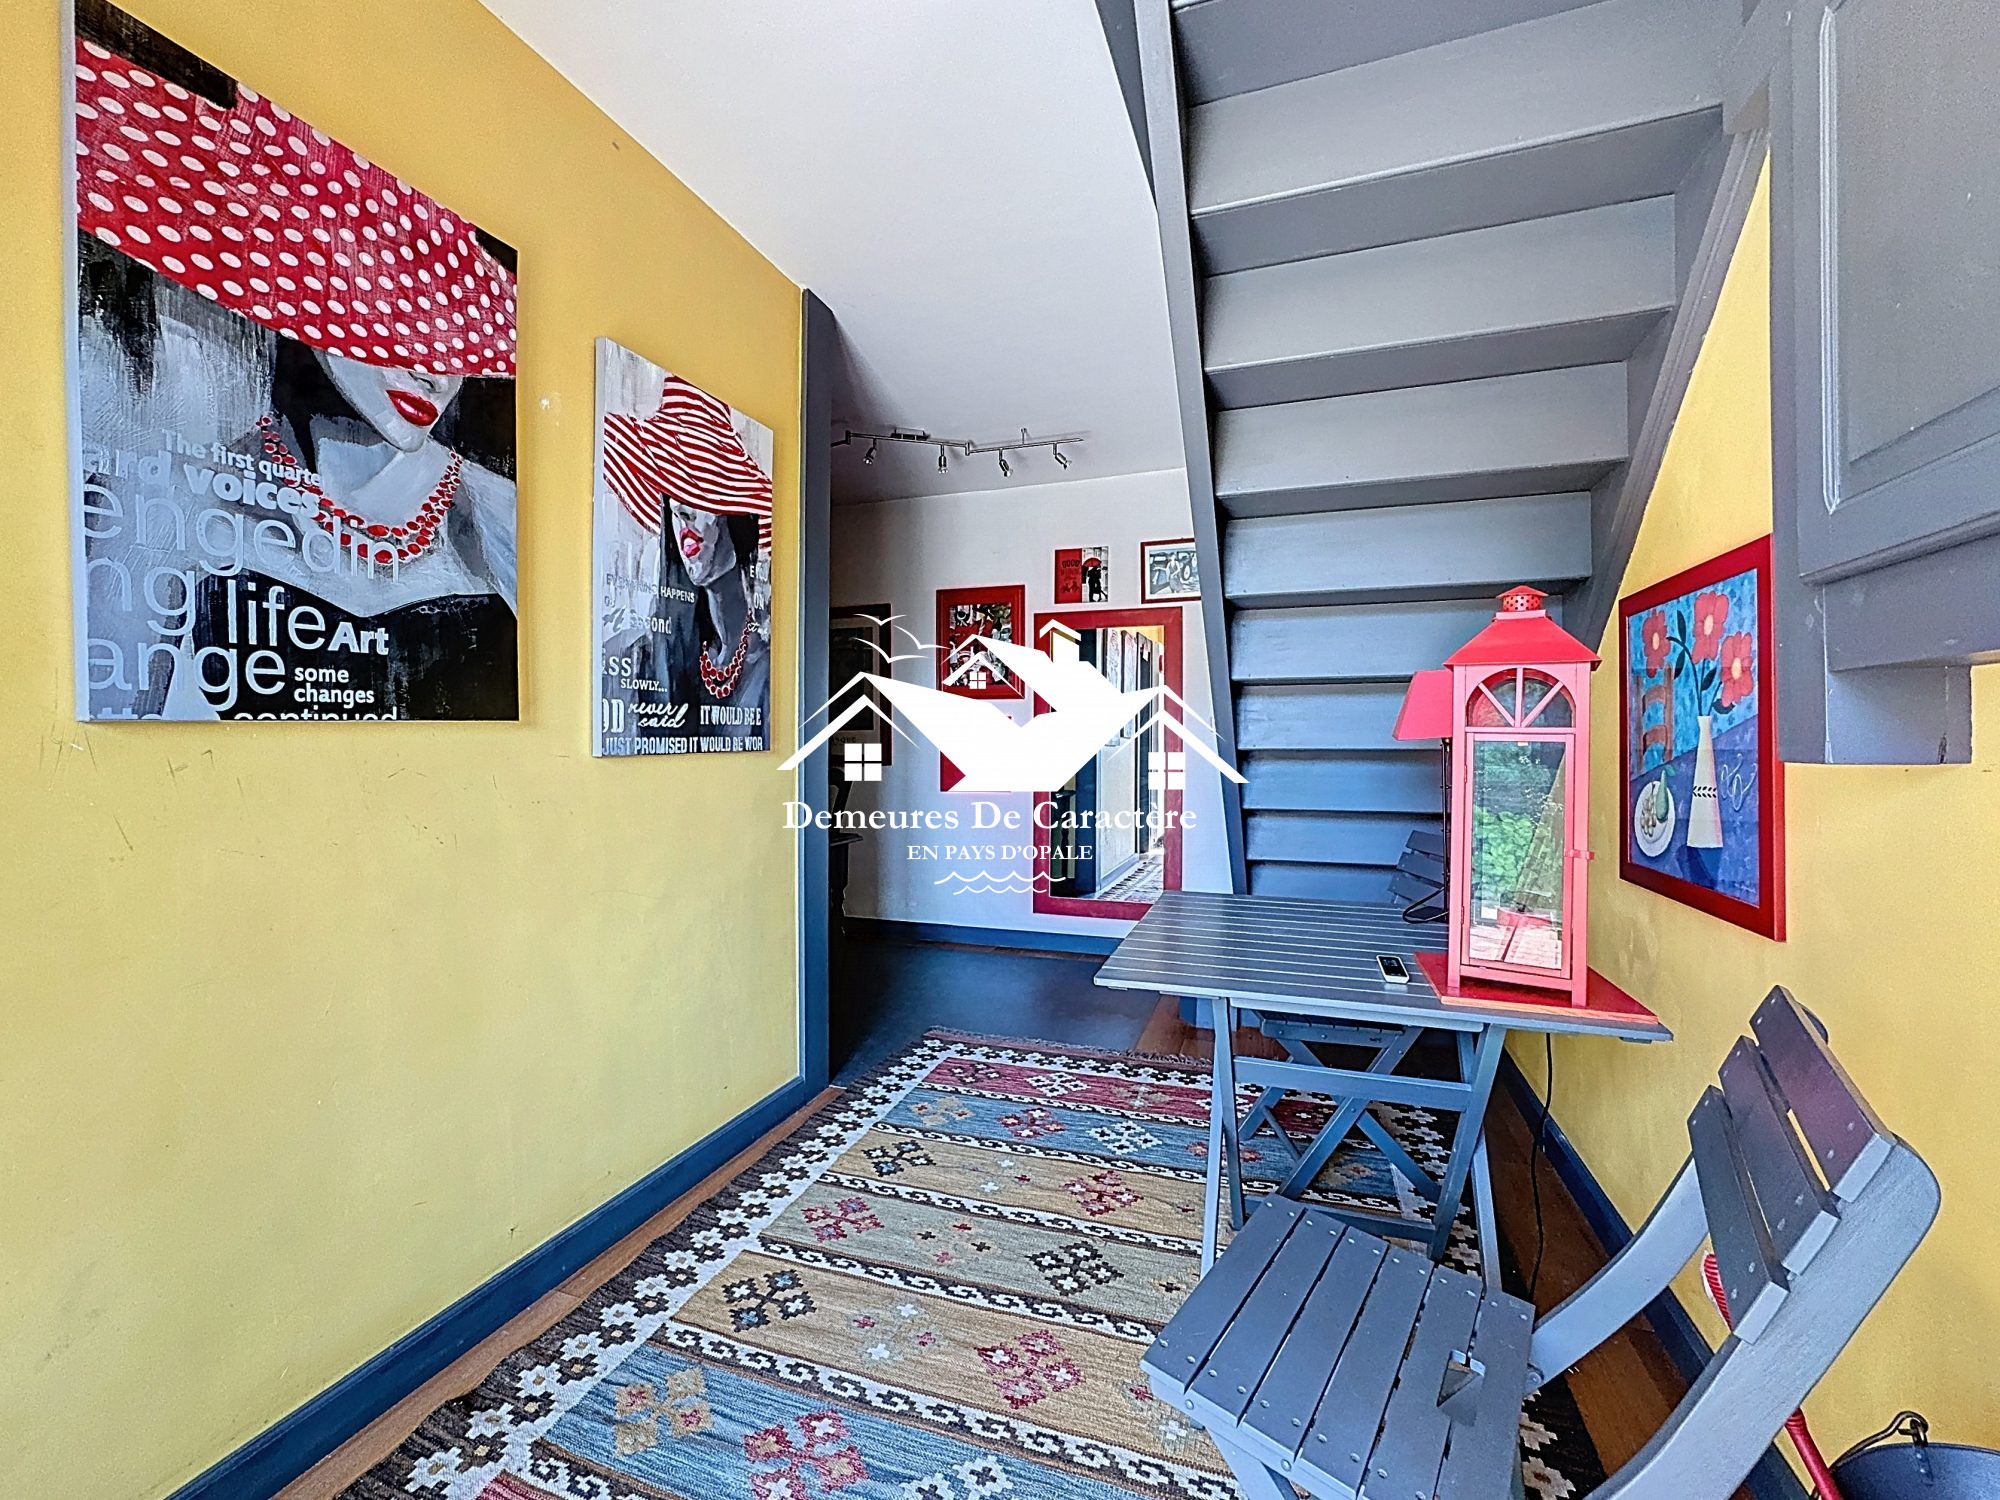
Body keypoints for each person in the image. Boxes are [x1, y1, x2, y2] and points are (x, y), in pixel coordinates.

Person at [72, 32, 518, 720]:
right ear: (297, 290)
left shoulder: (492, 514)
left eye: (454, 337)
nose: (431, 370)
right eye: (387, 312)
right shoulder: (187, 485)